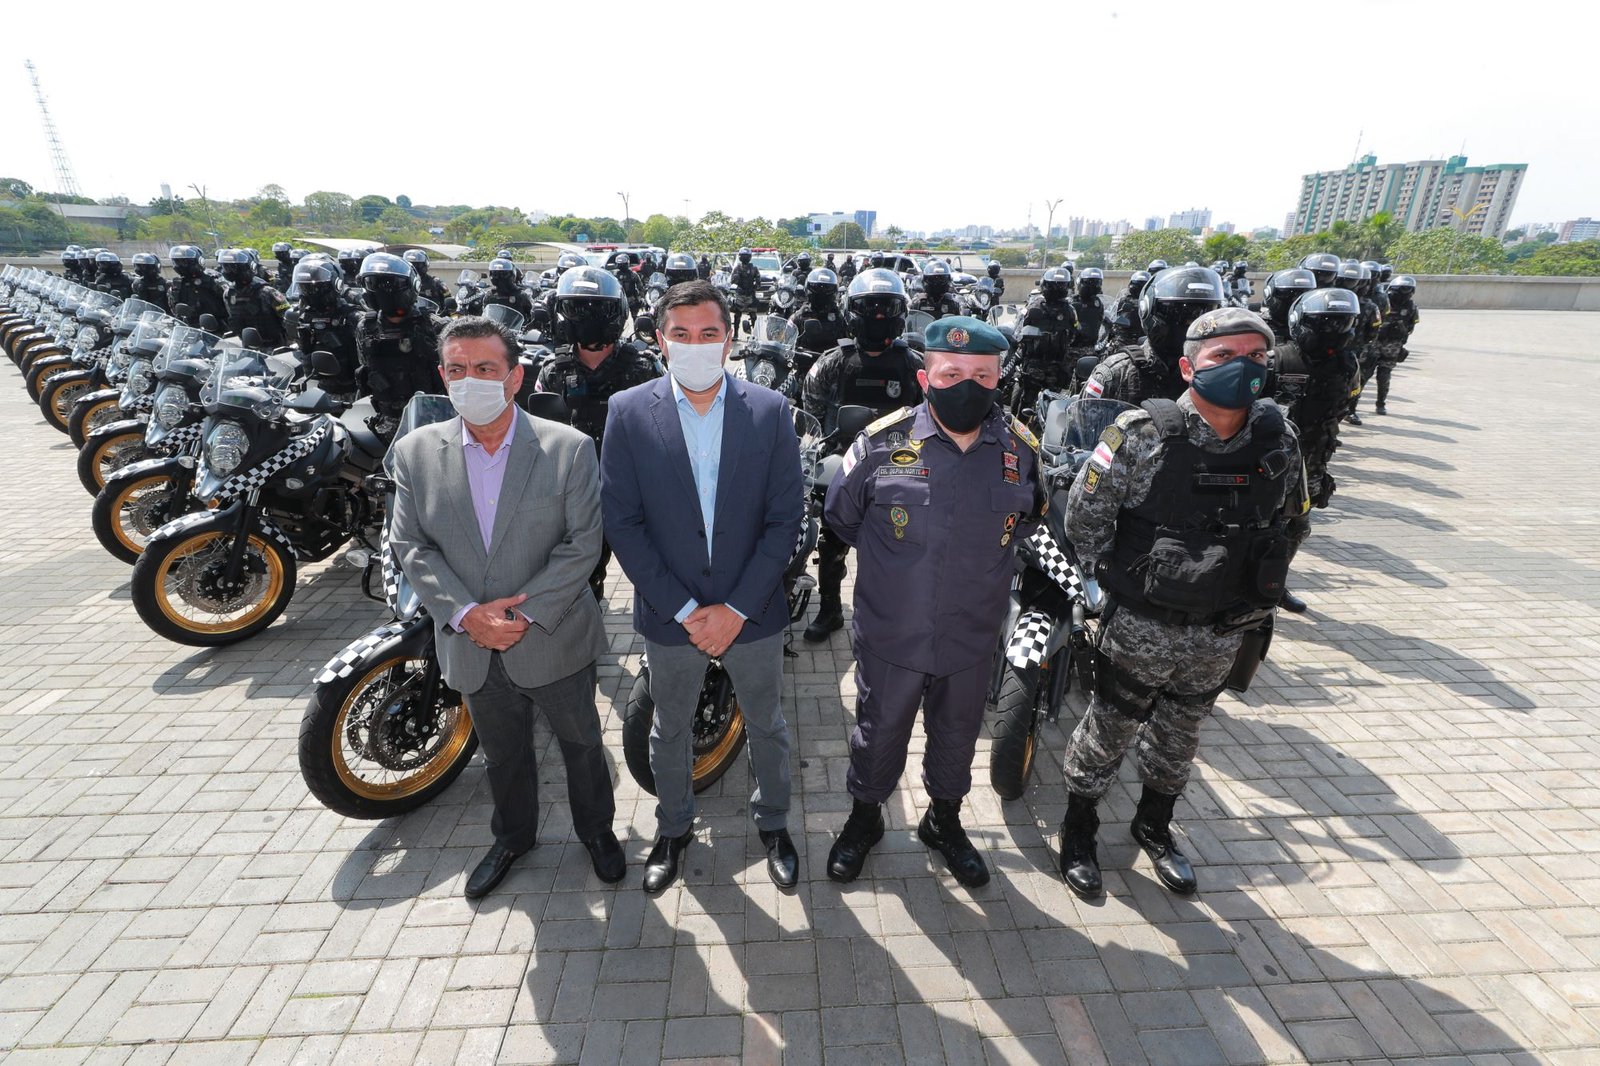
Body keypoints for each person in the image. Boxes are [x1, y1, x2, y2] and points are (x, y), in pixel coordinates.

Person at [1058, 307, 1309, 899]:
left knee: (1182, 730)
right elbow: (1085, 523)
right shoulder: (1138, 434)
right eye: (1224, 355)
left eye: (1255, 356)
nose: (1242, 366)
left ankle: (1154, 825)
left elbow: (1293, 521)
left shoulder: (1280, 438)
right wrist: (1121, 582)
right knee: (1110, 726)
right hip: (1142, 622)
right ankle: (1079, 830)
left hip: (1223, 627)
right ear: (1189, 366)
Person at [387, 315, 622, 899]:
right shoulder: (415, 453)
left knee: (581, 744)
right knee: (502, 753)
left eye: (485, 368)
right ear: (442, 376)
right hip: (471, 640)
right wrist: (467, 615)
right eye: (458, 369)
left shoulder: (568, 448)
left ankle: (597, 831)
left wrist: (520, 615)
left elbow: (582, 544)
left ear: (515, 377)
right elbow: (411, 544)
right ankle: (514, 837)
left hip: (552, 636)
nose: (471, 380)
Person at [600, 280, 805, 893]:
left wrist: (736, 609)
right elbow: (623, 523)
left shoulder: (769, 411)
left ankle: (774, 823)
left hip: (753, 611)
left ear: (729, 340)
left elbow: (784, 520)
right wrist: (687, 608)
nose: (695, 344)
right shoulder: (627, 411)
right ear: (660, 341)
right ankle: (673, 828)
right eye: (681, 334)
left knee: (766, 723)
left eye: (708, 333)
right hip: (673, 614)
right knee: (669, 728)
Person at [823, 316, 1043, 888]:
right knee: (879, 732)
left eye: (982, 375)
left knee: (958, 736)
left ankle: (943, 821)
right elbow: (841, 518)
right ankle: (865, 819)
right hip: (893, 635)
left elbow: (1026, 523)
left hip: (972, 636)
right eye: (951, 373)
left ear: (999, 380)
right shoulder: (879, 443)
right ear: (925, 378)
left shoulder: (1019, 450)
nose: (967, 385)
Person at [801, 268, 925, 642]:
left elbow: (933, 418)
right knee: (831, 543)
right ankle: (830, 610)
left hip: (901, 470)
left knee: (903, 547)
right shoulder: (833, 362)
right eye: (870, 308)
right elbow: (811, 414)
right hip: (845, 467)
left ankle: (896, 618)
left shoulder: (915, 365)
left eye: (887, 308)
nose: (879, 316)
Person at [535, 266, 662, 598]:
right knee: (581, 581)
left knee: (658, 574)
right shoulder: (553, 371)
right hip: (577, 490)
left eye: (596, 310)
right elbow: (539, 435)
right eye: (577, 310)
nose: (586, 319)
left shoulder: (643, 367)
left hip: (635, 487)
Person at [1271, 287, 1362, 614]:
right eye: (1324, 323)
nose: (1332, 331)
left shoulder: (1347, 363)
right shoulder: (1277, 359)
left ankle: (1275, 584)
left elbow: (1347, 404)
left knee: (1298, 527)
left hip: (1312, 462)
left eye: (1340, 323)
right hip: (1271, 462)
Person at [1083, 266, 1225, 406]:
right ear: (1149, 310)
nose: (1193, 325)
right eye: (1182, 315)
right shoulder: (1116, 373)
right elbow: (1083, 418)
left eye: (1205, 314)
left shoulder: (1217, 375)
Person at [355, 252, 446, 433]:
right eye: (374, 284)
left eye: (390, 285)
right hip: (386, 421)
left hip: (432, 419)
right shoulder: (366, 327)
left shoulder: (434, 326)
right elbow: (365, 366)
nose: (383, 291)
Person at [1010, 267, 1078, 416]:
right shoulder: (1033, 306)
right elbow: (1018, 330)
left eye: (1061, 285)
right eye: (1054, 285)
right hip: (1035, 362)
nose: (1057, 289)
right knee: (1027, 400)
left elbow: (1074, 334)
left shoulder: (1069, 310)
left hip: (1057, 364)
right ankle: (1018, 427)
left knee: (1054, 403)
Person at [291, 259, 364, 395]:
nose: (309, 293)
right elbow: (305, 355)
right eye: (305, 288)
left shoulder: (351, 317)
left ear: (334, 285)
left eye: (315, 288)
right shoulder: (306, 318)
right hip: (319, 388)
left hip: (353, 391)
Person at [1367, 274, 1419, 414]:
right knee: (1366, 375)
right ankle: (1354, 407)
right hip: (1377, 342)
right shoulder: (1383, 302)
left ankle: (1379, 404)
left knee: (1381, 375)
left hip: (1390, 345)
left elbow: (1409, 329)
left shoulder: (1411, 307)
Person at [217, 249, 288, 345]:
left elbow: (287, 318)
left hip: (275, 346)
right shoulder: (228, 294)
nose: (229, 271)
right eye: (226, 267)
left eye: (232, 267)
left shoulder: (266, 292)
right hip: (247, 346)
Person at [789, 267, 847, 357]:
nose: (822, 291)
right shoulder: (800, 315)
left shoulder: (839, 316)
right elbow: (786, 343)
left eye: (827, 288)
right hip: (804, 361)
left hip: (833, 362)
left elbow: (849, 345)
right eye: (817, 287)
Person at [167, 245, 230, 327]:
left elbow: (230, 303)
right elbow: (175, 311)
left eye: (184, 262)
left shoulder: (213, 279)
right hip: (191, 328)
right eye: (177, 262)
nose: (180, 265)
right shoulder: (177, 284)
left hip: (219, 327)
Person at [1107, 270, 1151, 346]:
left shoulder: (1149, 302)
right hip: (1125, 336)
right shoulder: (1124, 300)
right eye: (1136, 285)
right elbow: (1114, 314)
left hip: (1143, 336)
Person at [729, 248, 760, 339]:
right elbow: (732, 281)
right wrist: (737, 277)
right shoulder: (737, 268)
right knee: (737, 314)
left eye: (746, 256)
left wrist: (755, 287)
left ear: (750, 257)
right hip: (740, 293)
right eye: (743, 256)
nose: (745, 257)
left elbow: (758, 282)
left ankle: (755, 335)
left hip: (750, 294)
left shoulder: (754, 268)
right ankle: (736, 334)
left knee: (753, 315)